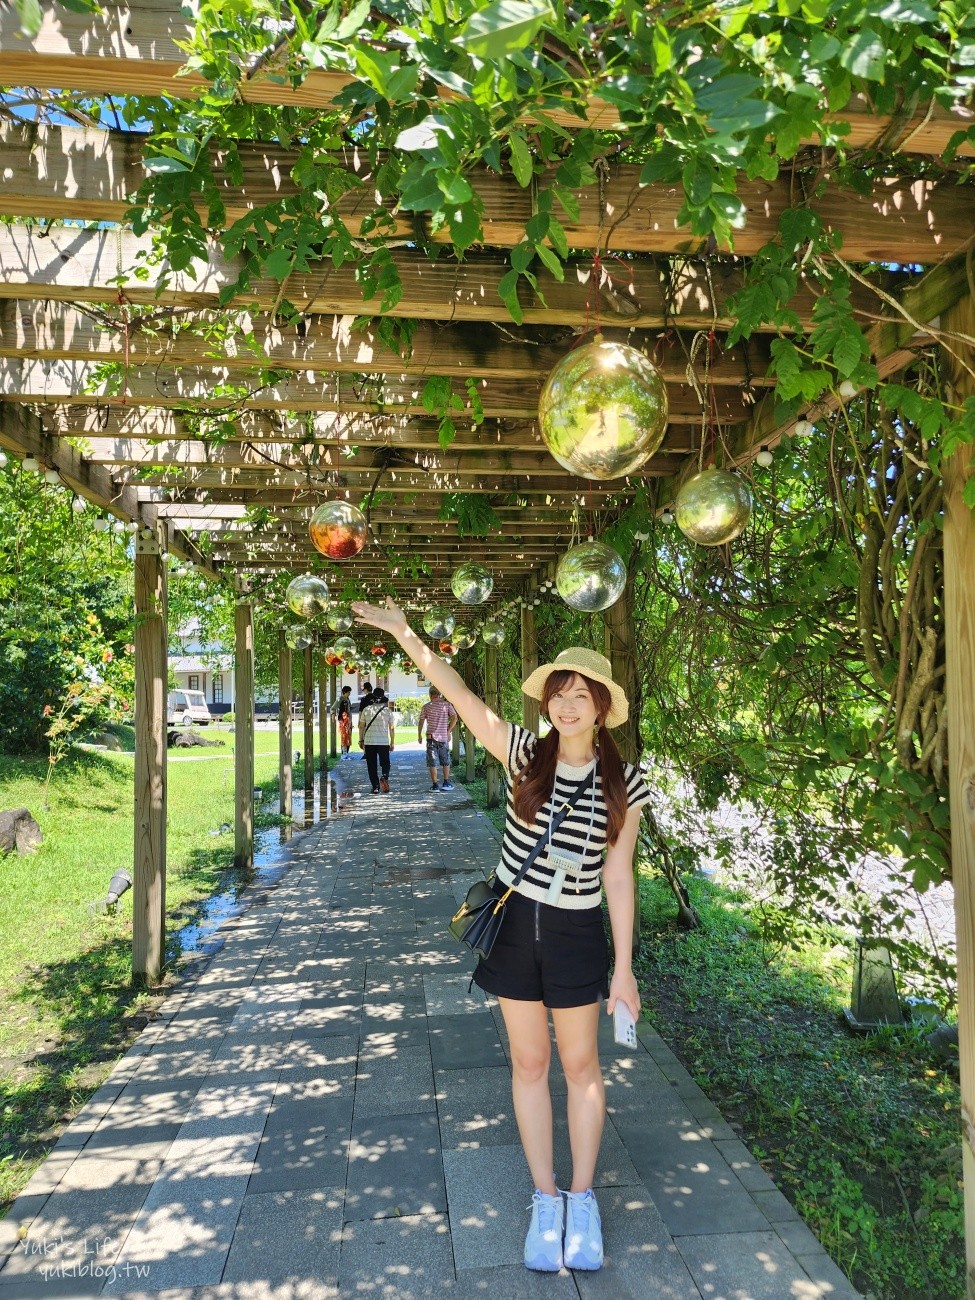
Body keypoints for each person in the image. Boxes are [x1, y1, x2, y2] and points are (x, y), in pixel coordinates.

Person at [351, 597, 650, 1274]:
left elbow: (620, 878)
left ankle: (582, 1200)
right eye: (558, 694)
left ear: (602, 707)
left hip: (576, 932)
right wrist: (405, 634)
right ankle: (544, 1199)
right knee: (528, 1064)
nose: (567, 706)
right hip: (513, 926)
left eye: (581, 696)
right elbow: (455, 691)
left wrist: (624, 968)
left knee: (581, 1067)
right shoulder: (521, 753)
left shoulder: (625, 783)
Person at [417, 684, 457, 791]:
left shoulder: (426, 706)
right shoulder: (447, 705)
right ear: (440, 694)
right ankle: (446, 783)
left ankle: (435, 785)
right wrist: (448, 730)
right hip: (443, 737)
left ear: (430, 694)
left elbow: (421, 721)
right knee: (445, 760)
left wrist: (419, 735)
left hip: (431, 738)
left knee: (432, 762)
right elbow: (455, 718)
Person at [358, 686, 396, 794]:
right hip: (383, 742)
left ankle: (375, 786)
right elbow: (392, 728)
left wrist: (361, 740)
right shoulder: (388, 711)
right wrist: (392, 742)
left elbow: (361, 726)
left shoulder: (366, 710)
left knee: (371, 764)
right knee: (385, 763)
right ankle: (384, 776)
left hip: (369, 741)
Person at [336, 684, 354, 757]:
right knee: (344, 736)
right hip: (343, 720)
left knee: (348, 736)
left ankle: (346, 753)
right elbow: (334, 707)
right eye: (348, 692)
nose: (349, 693)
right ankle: (344, 753)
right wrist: (333, 714)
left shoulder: (348, 699)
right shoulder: (341, 699)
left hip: (349, 720)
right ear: (345, 692)